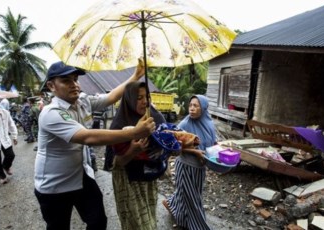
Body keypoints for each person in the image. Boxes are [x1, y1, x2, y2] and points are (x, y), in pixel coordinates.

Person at [34, 60, 155, 230]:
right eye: (66, 80)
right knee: (58, 227)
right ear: (51, 86)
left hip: (81, 175)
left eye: (75, 79)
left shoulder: (83, 101)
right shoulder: (51, 113)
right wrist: (135, 132)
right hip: (54, 184)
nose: (74, 84)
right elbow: (87, 137)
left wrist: (136, 76)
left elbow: (111, 96)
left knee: (98, 221)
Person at [109, 81, 166, 230]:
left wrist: (172, 149)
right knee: (137, 225)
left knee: (150, 218)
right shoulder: (119, 125)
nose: (145, 101)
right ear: (128, 99)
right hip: (129, 179)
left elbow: (164, 145)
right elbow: (117, 163)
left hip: (148, 177)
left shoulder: (155, 118)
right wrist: (133, 150)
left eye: (147, 96)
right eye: (139, 98)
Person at [163, 95, 216, 230]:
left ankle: (172, 206)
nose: (191, 109)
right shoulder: (184, 125)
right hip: (185, 166)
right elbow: (175, 145)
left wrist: (218, 148)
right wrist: (195, 152)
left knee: (189, 193)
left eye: (196, 106)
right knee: (193, 199)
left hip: (200, 167)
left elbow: (211, 142)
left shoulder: (209, 124)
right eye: (190, 105)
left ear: (203, 108)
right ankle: (198, 226)